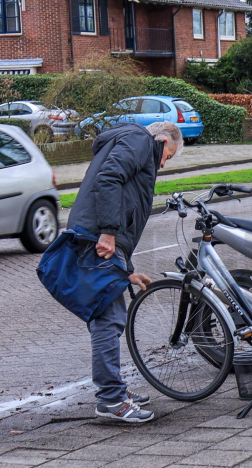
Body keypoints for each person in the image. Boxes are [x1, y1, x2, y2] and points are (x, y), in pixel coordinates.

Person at [68, 121, 182, 422]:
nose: (162, 163)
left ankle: (113, 391)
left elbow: (123, 204)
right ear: (162, 140)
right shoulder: (139, 140)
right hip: (97, 237)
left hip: (98, 238)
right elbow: (108, 179)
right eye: (167, 156)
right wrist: (107, 233)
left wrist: (127, 269)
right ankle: (111, 400)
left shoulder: (131, 142)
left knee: (107, 316)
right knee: (109, 317)